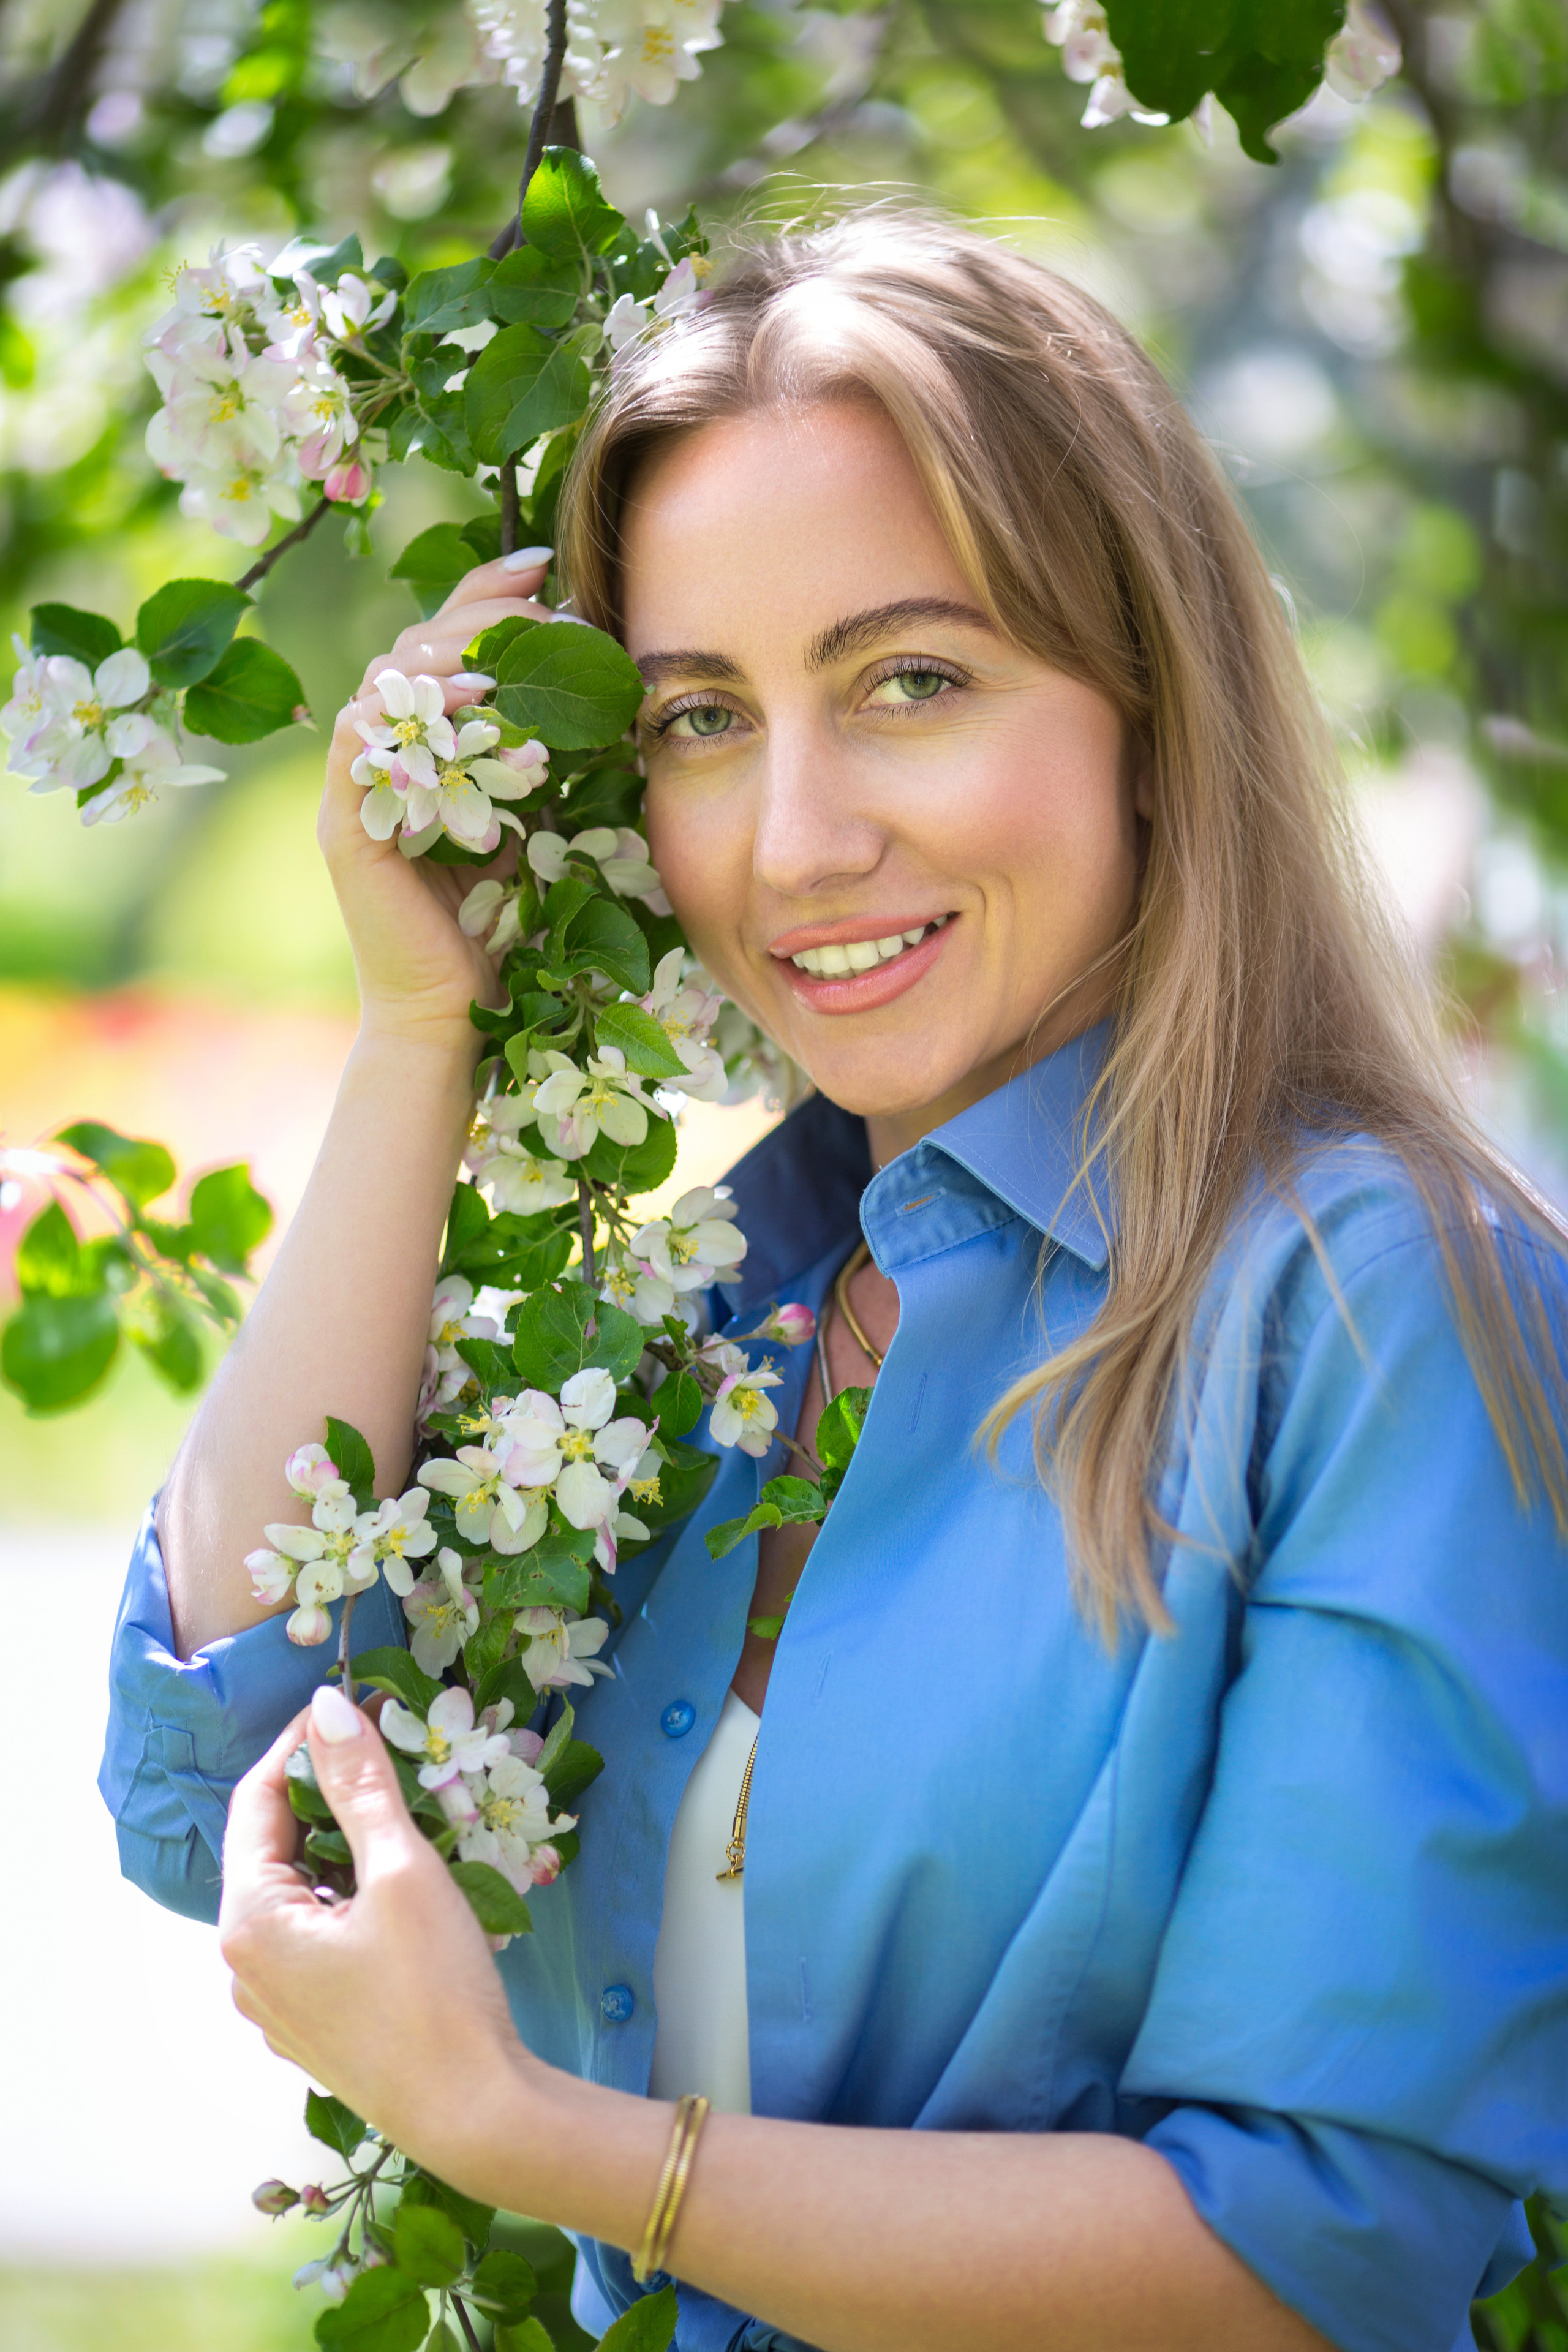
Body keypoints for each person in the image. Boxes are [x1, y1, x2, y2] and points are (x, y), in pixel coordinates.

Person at [101, 215, 1568, 2352]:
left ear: (1152, 709)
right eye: (701, 717)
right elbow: (218, 1788)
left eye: (911, 682)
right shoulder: (717, 1321)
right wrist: (417, 1028)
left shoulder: (1373, 1310)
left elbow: (1313, 2256)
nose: (792, 842)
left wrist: (536, 2137)